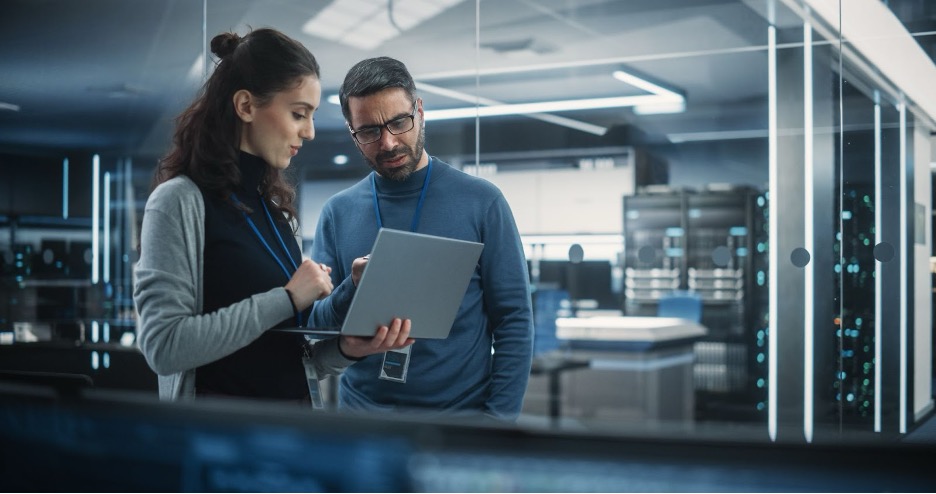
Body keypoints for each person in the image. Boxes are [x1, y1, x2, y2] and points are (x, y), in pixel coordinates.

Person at [133, 29, 412, 403]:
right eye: (299, 114)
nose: (310, 131)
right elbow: (163, 347)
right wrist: (286, 298)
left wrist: (347, 349)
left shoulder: (274, 212)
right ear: (246, 106)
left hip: (288, 435)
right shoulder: (178, 202)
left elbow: (288, 356)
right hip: (217, 445)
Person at [310, 56, 534, 421]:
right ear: (352, 132)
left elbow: (514, 320)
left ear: (420, 111)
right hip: (364, 423)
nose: (388, 142)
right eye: (368, 131)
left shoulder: (481, 202)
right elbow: (317, 326)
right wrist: (353, 287)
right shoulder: (339, 213)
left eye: (399, 122)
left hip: (460, 423)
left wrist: (498, 422)